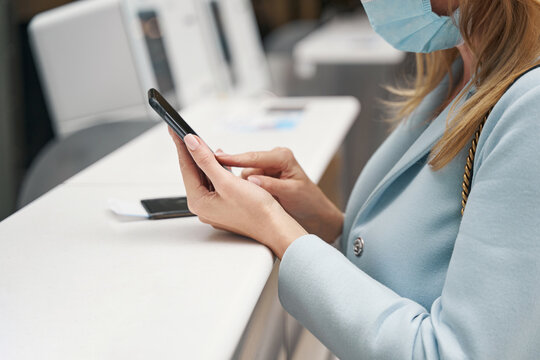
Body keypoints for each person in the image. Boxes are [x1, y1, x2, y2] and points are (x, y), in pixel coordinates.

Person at [168, 0, 540, 358]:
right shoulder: (464, 71)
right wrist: (328, 224)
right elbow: (434, 266)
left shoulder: (531, 108)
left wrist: (273, 225)